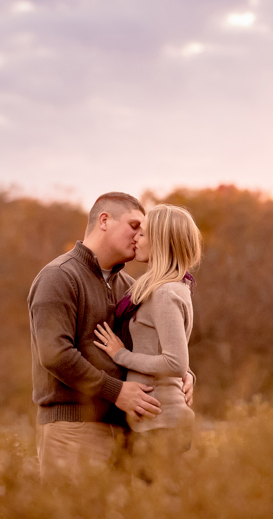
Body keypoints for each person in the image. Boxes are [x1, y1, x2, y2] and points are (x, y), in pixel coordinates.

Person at [27, 192, 195, 481]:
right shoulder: (58, 276)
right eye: (134, 226)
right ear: (104, 220)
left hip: (129, 431)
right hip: (75, 428)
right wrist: (115, 391)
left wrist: (185, 374)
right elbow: (55, 354)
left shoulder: (133, 288)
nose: (140, 236)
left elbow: (153, 346)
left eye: (144, 231)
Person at [94, 204, 200, 474]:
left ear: (161, 241)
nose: (136, 238)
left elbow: (175, 361)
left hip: (162, 424)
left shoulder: (165, 293)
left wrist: (121, 356)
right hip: (151, 422)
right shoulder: (162, 287)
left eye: (143, 233)